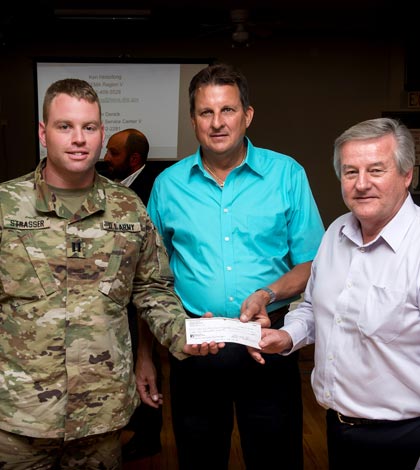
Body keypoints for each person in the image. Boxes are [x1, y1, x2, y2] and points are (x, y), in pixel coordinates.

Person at [0, 78, 222, 470]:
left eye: (89, 127)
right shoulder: (5, 207)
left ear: (102, 134)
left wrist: (181, 334)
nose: (78, 139)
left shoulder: (128, 208)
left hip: (100, 416)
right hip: (18, 417)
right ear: (43, 132)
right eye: (64, 126)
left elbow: (151, 287)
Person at [147, 63, 325, 470]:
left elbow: (312, 263)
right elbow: (149, 280)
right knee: (198, 458)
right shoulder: (167, 185)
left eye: (227, 110)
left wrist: (269, 293)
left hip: (268, 341)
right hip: (193, 347)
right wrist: (147, 357)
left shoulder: (286, 174)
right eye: (205, 112)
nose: (217, 123)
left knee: (276, 458)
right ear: (192, 120)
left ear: (247, 115)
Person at [246, 117, 420, 470]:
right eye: (350, 171)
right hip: (339, 429)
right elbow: (312, 307)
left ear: (406, 175)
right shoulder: (336, 232)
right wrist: (285, 336)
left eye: (376, 169)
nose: (361, 184)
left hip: (406, 440)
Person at [103, 128, 163, 462]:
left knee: (146, 358)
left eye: (113, 153)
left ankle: (149, 434)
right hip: (117, 292)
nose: (106, 159)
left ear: (134, 159)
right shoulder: (114, 185)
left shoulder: (148, 191)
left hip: (141, 291)